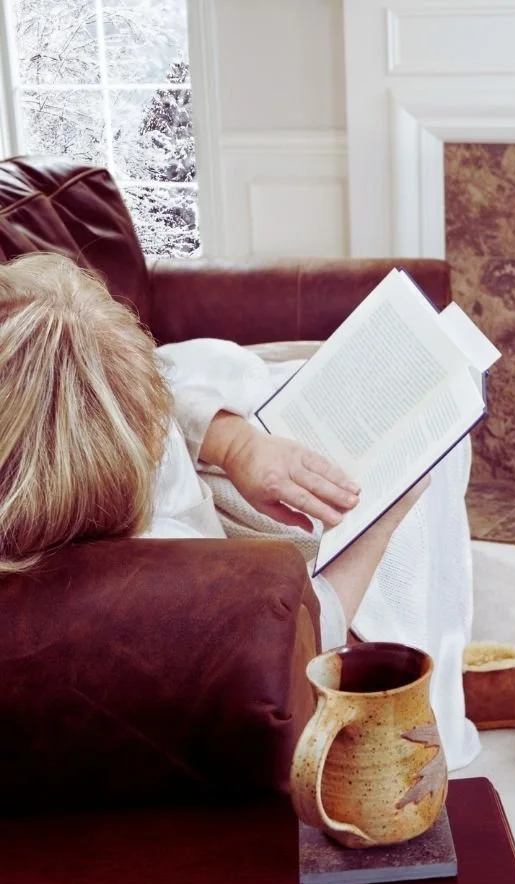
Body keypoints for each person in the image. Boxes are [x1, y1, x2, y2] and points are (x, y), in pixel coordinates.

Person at [0, 252, 480, 769]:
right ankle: (434, 682)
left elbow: (168, 377)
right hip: (246, 554)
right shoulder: (159, 576)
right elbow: (305, 642)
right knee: (413, 484)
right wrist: (388, 518)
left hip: (213, 472)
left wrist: (235, 445)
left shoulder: (68, 449)